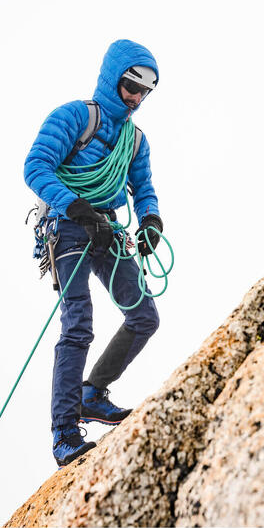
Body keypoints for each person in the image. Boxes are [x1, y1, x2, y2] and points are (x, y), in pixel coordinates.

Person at [24, 39, 164, 468]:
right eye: (130, 86)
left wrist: (151, 221)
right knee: (78, 322)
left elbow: (143, 188)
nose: (137, 97)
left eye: (145, 91)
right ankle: (64, 433)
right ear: (113, 77)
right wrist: (79, 210)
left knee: (144, 317)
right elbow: (35, 166)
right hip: (67, 226)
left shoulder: (135, 141)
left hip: (106, 226)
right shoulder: (75, 117)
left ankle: (91, 393)